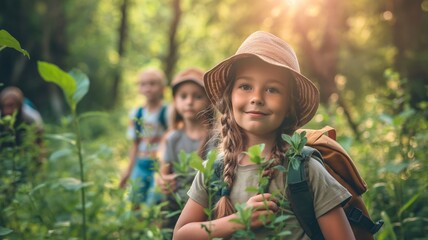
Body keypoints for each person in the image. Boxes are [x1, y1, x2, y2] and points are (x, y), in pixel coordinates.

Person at [173, 31, 355, 240]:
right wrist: (240, 220)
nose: (257, 98)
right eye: (245, 86)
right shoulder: (214, 170)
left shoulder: (304, 169)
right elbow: (180, 235)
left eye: (272, 89)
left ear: (289, 105)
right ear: (229, 96)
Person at [157, 68, 215, 231]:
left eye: (197, 96)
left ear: (209, 101)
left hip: (208, 207)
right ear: (175, 101)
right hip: (175, 206)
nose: (189, 101)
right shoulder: (172, 138)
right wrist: (163, 181)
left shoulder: (217, 138)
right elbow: (164, 174)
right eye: (183, 96)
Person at [119, 68, 169, 206]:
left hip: (159, 165)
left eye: (153, 84)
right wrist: (128, 171)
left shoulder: (168, 112)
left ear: (162, 87)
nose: (148, 88)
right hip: (140, 162)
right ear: (139, 88)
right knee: (134, 198)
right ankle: (134, 226)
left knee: (155, 200)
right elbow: (135, 143)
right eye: (143, 84)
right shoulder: (136, 113)